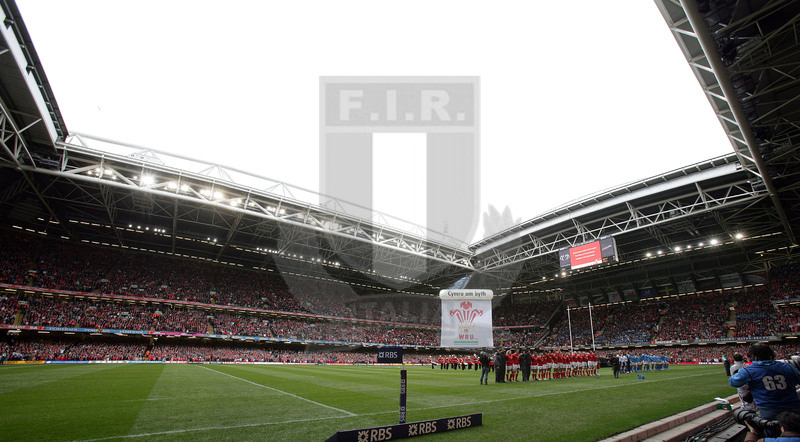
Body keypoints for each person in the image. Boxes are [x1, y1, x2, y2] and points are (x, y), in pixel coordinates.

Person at [730, 343, 800, 436]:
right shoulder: (788, 366)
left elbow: (733, 382)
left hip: (769, 409)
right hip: (793, 407)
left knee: (772, 434)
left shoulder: (749, 370)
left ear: (754, 356)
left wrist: (742, 370)